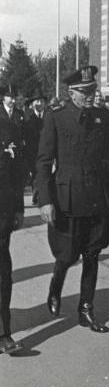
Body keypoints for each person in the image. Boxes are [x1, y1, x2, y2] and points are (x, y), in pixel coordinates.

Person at [36, 65, 109, 333]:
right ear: (71, 92)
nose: (92, 94)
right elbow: (44, 161)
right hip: (67, 196)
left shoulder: (102, 116)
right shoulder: (56, 117)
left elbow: (107, 161)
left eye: (93, 89)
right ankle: (56, 283)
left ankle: (86, 308)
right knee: (67, 255)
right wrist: (45, 200)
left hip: (95, 196)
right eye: (85, 91)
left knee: (92, 253)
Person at [0, 100, 25, 354]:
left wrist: (19, 207)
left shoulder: (8, 128)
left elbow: (18, 172)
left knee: (2, 273)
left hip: (2, 209)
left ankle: (3, 334)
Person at [24, 89, 47, 205]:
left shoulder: (48, 117)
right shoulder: (28, 119)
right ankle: (36, 194)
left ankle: (40, 196)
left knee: (44, 175)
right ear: (32, 104)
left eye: (42, 101)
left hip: (47, 152)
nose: (40, 104)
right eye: (37, 101)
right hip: (33, 153)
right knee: (36, 175)